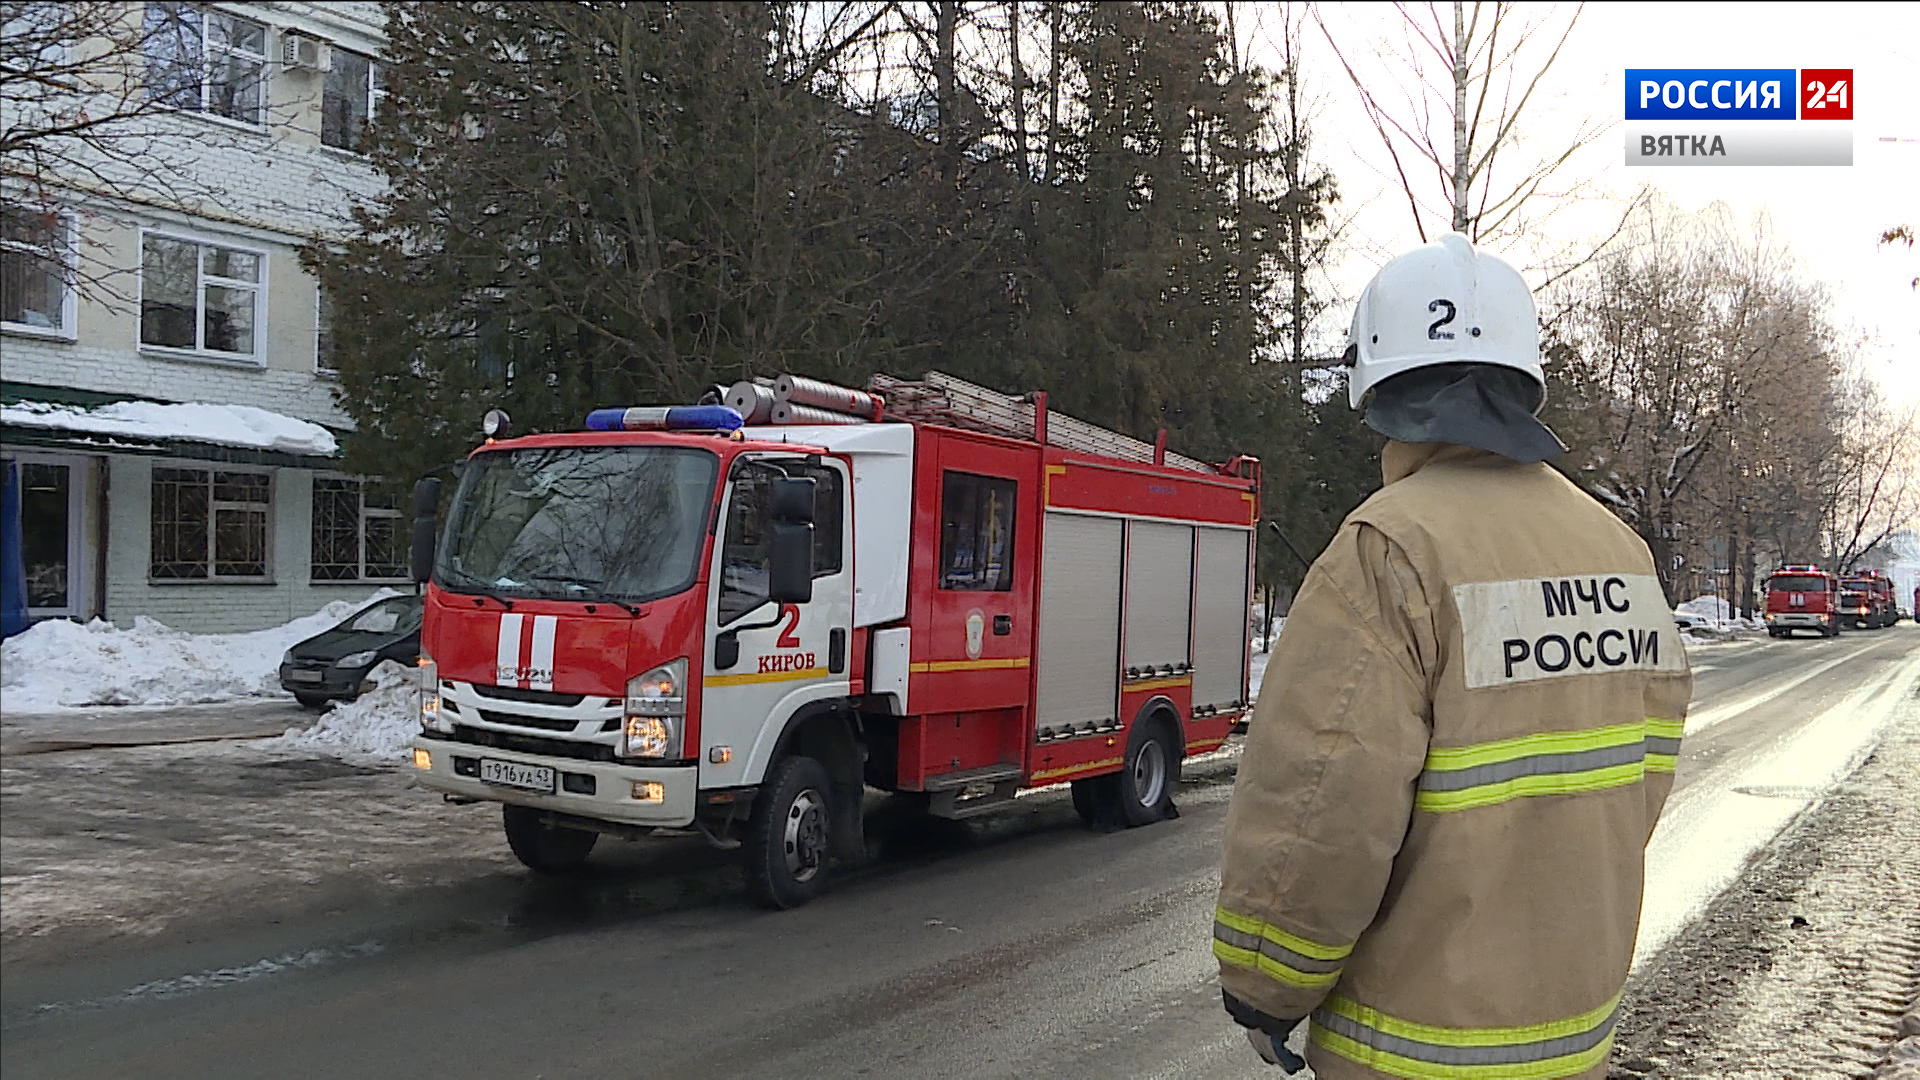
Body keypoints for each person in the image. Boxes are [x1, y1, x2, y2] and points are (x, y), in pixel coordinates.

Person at [1213, 233, 1692, 1079]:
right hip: (1575, 1036)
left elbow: (1321, 795)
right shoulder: (1619, 551)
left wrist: (1267, 983)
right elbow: (1638, 779)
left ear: (1378, 386)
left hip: (1410, 1047)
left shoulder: (1390, 549)